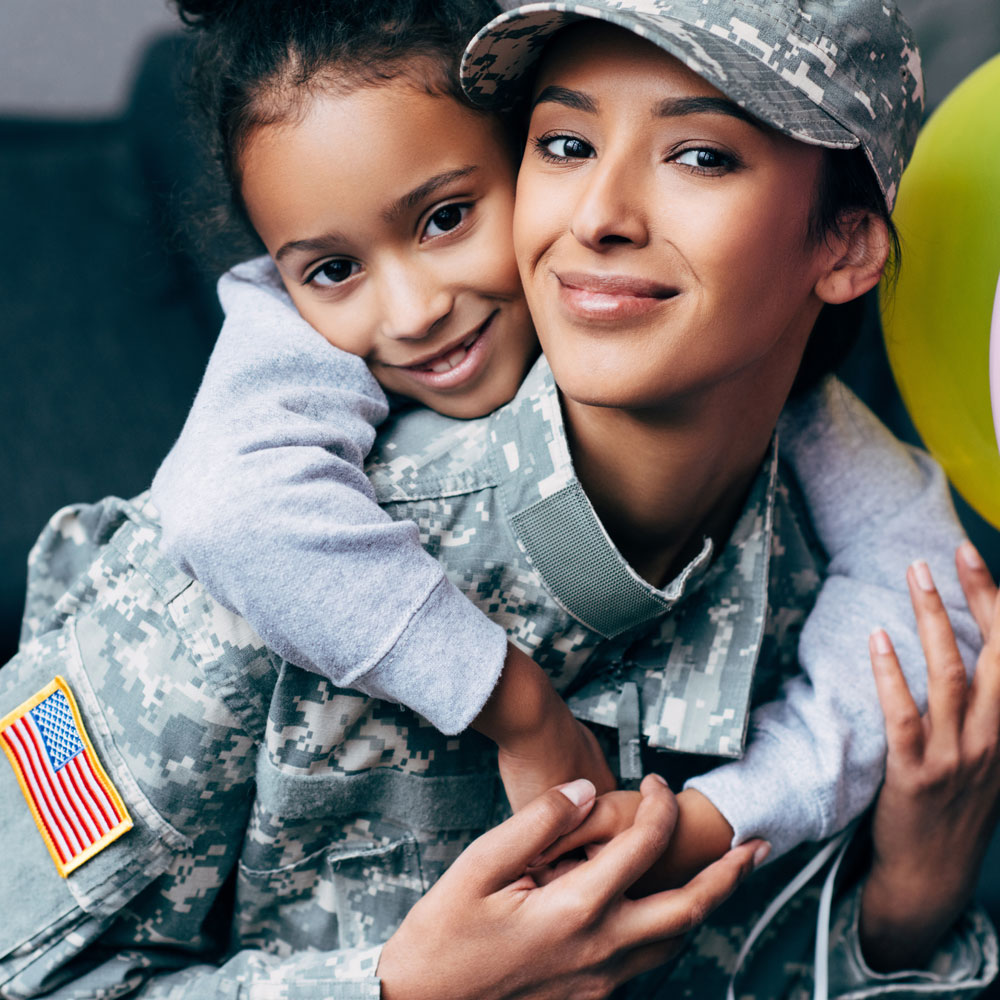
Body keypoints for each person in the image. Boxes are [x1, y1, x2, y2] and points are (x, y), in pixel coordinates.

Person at [0, 4, 996, 1000]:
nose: (598, 212)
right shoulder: (250, 567)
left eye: (698, 156)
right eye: (564, 144)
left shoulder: (845, 614)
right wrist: (403, 992)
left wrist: (908, 904)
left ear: (847, 247)